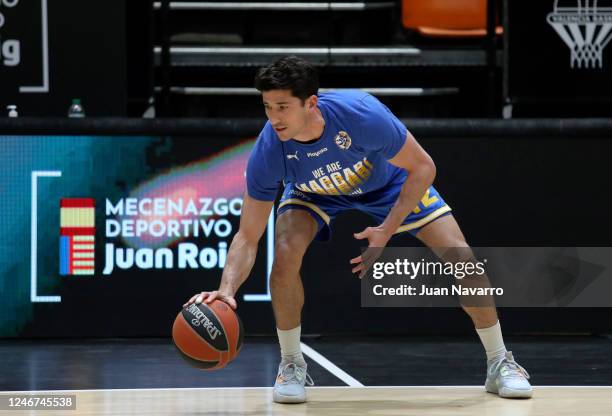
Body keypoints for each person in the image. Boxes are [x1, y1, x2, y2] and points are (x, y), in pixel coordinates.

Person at [185, 55, 532, 403]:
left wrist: (386, 230)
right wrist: (226, 290)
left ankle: (500, 362)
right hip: (314, 192)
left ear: (310, 103)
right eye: (267, 107)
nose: (274, 118)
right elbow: (248, 235)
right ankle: (291, 364)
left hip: (389, 186)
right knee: (285, 255)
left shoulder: (361, 114)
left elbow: (424, 167)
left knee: (461, 258)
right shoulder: (269, 149)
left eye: (282, 107)